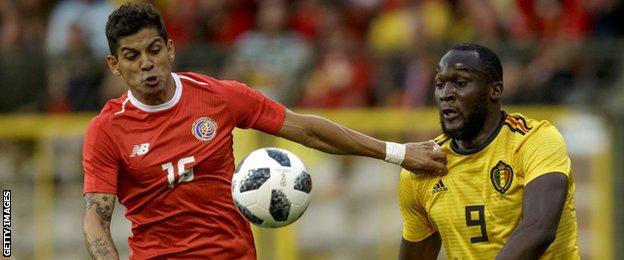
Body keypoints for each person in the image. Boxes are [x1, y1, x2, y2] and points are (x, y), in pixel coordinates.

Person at [81, 3, 447, 259]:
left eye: (154, 49)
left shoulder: (219, 97)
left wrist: (397, 153)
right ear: (114, 65)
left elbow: (308, 130)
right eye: (132, 56)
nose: (147, 64)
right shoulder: (107, 129)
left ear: (170, 49)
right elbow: (96, 218)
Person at [398, 43, 580, 259]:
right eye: (439, 84)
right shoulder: (424, 168)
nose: (446, 94)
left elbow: (539, 229)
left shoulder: (535, 140)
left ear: (495, 90)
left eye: (460, 82)